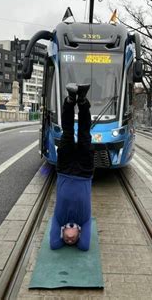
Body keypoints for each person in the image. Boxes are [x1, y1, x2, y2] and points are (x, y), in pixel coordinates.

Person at [50, 83, 94, 251]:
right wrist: (80, 236)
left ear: (62, 233)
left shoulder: (59, 220)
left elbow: (54, 244)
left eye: (66, 240)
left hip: (65, 170)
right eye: (72, 240)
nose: (69, 239)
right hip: (84, 172)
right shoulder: (85, 220)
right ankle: (82, 100)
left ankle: (70, 100)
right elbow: (84, 246)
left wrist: (62, 233)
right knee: (84, 134)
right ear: (79, 233)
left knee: (67, 132)